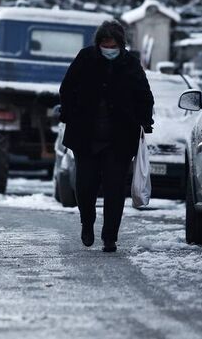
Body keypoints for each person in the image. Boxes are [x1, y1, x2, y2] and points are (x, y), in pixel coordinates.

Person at [59, 20, 154, 252]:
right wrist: (69, 114)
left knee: (114, 190)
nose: (108, 47)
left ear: (120, 44)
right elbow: (67, 88)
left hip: (119, 139)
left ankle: (110, 236)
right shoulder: (86, 58)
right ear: (98, 42)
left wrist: (144, 121)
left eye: (112, 44)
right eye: (104, 43)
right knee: (85, 186)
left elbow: (144, 95)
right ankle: (87, 223)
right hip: (86, 136)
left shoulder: (130, 64)